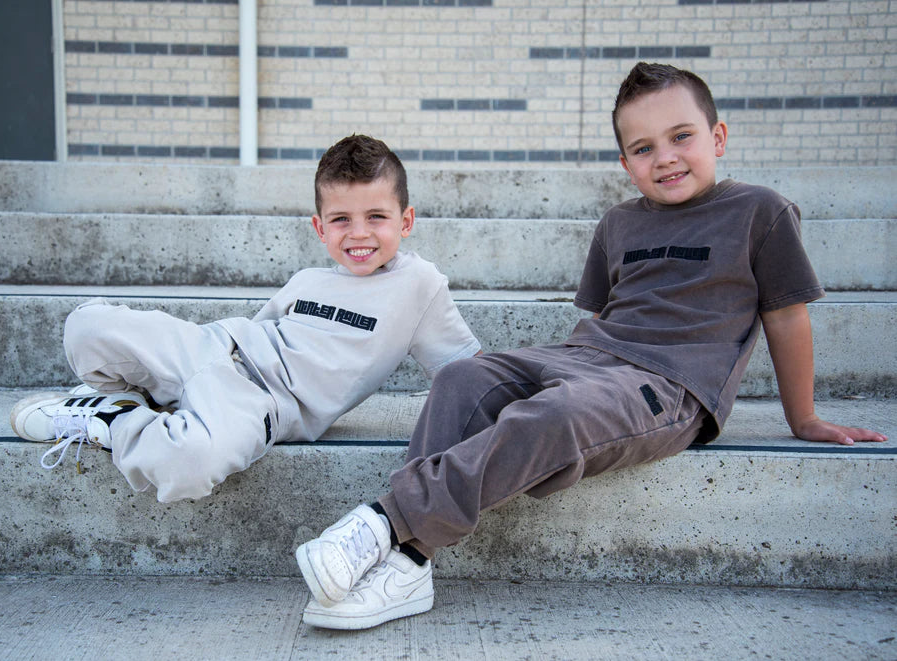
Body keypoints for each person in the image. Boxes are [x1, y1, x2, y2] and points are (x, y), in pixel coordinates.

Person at [293, 62, 888, 630]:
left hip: (670, 383)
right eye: (644, 147)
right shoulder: (618, 224)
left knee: (552, 415)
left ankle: (387, 528)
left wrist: (803, 416)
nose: (666, 157)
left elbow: (787, 318)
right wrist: (571, 370)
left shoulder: (761, 212)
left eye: (681, 136)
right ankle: (410, 566)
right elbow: (603, 317)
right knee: (461, 380)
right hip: (586, 356)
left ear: (718, 136)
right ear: (626, 161)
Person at [9, 134, 481, 502]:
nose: (358, 233)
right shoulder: (305, 280)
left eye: (376, 216)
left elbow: (470, 376)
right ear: (320, 228)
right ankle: (145, 394)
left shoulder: (419, 284)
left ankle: (113, 419)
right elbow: (255, 333)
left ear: (406, 220)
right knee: (86, 327)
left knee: (191, 465)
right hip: (216, 346)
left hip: (262, 403)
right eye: (341, 219)